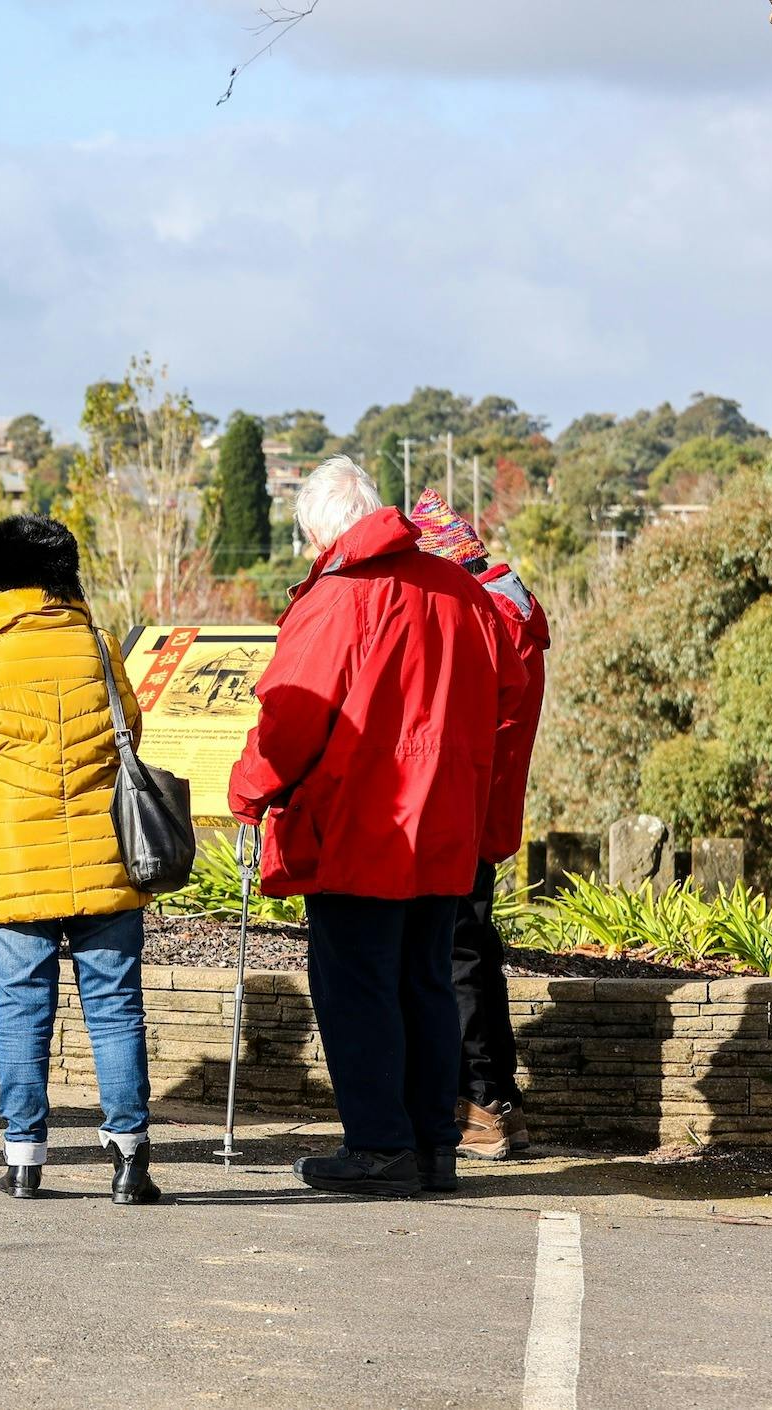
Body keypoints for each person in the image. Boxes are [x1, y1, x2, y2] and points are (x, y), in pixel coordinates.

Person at [228, 458, 525, 1199]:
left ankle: (380, 1147)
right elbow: (505, 701)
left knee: (357, 990)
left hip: (363, 826)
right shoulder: (461, 592)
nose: (307, 554)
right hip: (444, 826)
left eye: (305, 539)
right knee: (425, 985)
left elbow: (291, 716)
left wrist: (248, 791)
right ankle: (433, 1147)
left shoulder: (339, 599)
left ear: (323, 530)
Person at [0, 515, 161, 1206]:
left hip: (17, 867)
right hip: (107, 865)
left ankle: (24, 1161)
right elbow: (130, 732)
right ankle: (129, 1160)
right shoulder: (99, 645)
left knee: (21, 1010)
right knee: (115, 1010)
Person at [410, 488, 551, 1161]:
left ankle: (481, 1103)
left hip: (458, 809)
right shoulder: (514, 613)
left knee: (458, 955)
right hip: (486, 808)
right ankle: (502, 1102)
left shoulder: (482, 618)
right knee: (475, 951)